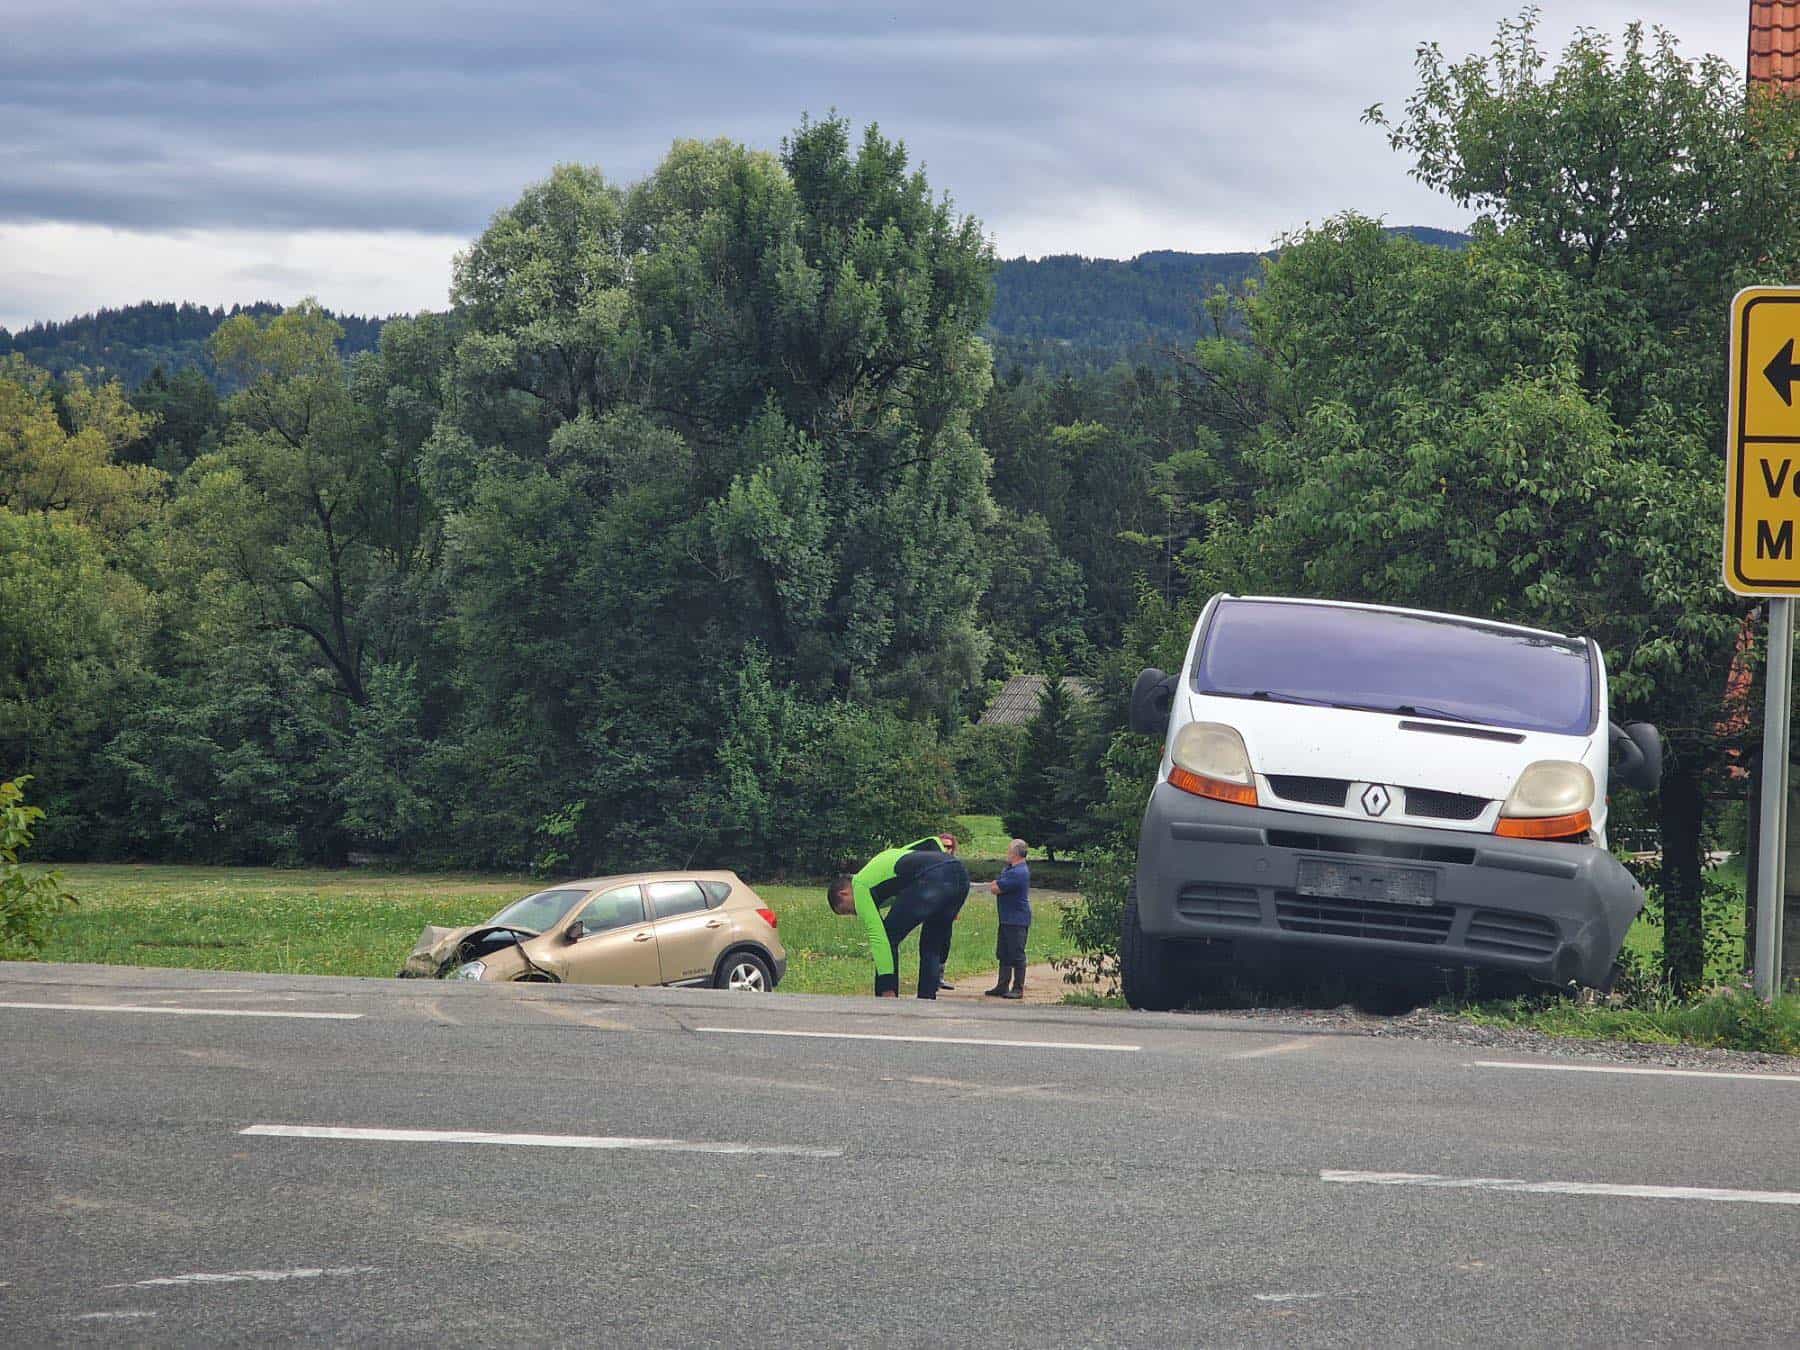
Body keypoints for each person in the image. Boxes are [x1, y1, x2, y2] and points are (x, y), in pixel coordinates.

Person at [828, 836, 970, 999]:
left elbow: (878, 937)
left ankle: (887, 996)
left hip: (932, 879)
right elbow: (932, 841)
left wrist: (886, 986)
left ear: (843, 893)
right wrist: (945, 874)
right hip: (959, 875)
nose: (855, 913)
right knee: (932, 944)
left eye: (847, 910)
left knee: (888, 937)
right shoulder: (888, 861)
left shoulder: (859, 884)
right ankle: (927, 999)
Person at [984, 839, 1031, 1000]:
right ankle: (1002, 985)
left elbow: (996, 888)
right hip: (1006, 918)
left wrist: (996, 884)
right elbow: (996, 885)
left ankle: (1018, 988)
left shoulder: (1019, 873)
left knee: (1017, 954)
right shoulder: (1011, 870)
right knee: (1003, 952)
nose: (1007, 854)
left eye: (1009, 851)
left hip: (1017, 919)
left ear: (1015, 853)